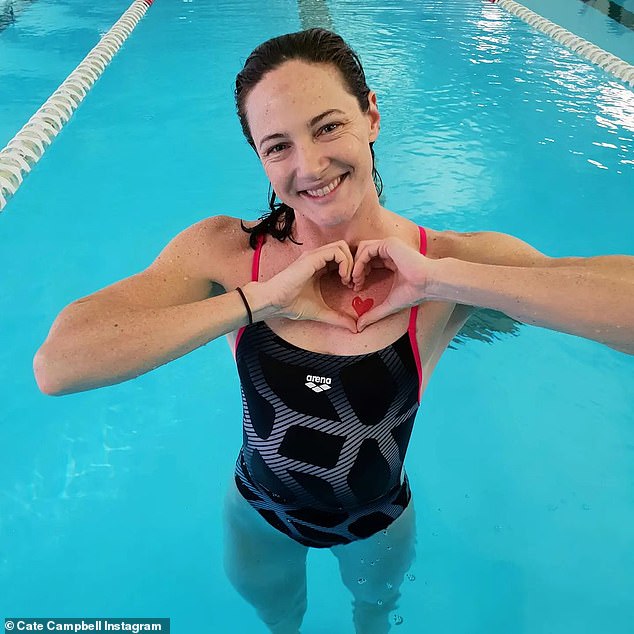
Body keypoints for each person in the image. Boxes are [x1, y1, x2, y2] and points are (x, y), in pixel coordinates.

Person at [33, 28, 633, 634]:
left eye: (327, 127)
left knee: (374, 616)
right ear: (260, 159)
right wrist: (255, 303)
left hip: (377, 522)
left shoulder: (449, 260)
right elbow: (59, 365)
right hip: (257, 513)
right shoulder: (227, 254)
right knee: (279, 618)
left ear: (371, 114)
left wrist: (442, 281)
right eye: (278, 146)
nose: (310, 167)